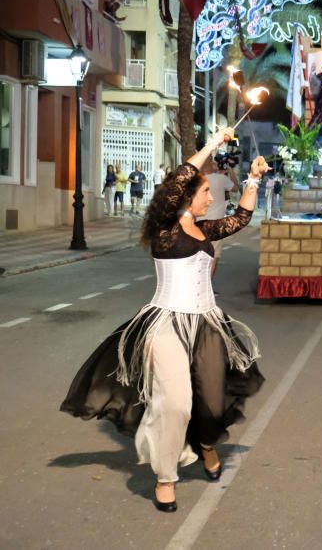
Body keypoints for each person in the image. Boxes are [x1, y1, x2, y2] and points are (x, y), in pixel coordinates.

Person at [61, 128, 266, 513]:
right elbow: (182, 177)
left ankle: (206, 445)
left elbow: (241, 218)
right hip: (166, 323)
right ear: (187, 196)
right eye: (205, 192)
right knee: (175, 403)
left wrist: (254, 177)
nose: (210, 197)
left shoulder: (204, 230)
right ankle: (166, 477)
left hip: (207, 324)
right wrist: (214, 144)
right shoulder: (165, 231)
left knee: (210, 401)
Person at [198, 159, 236, 278]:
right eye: (213, 162)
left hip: (198, 223)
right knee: (213, 256)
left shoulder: (197, 179)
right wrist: (231, 170)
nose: (216, 164)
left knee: (199, 256)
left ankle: (196, 286)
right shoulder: (221, 179)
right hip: (216, 224)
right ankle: (206, 287)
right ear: (209, 166)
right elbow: (235, 188)